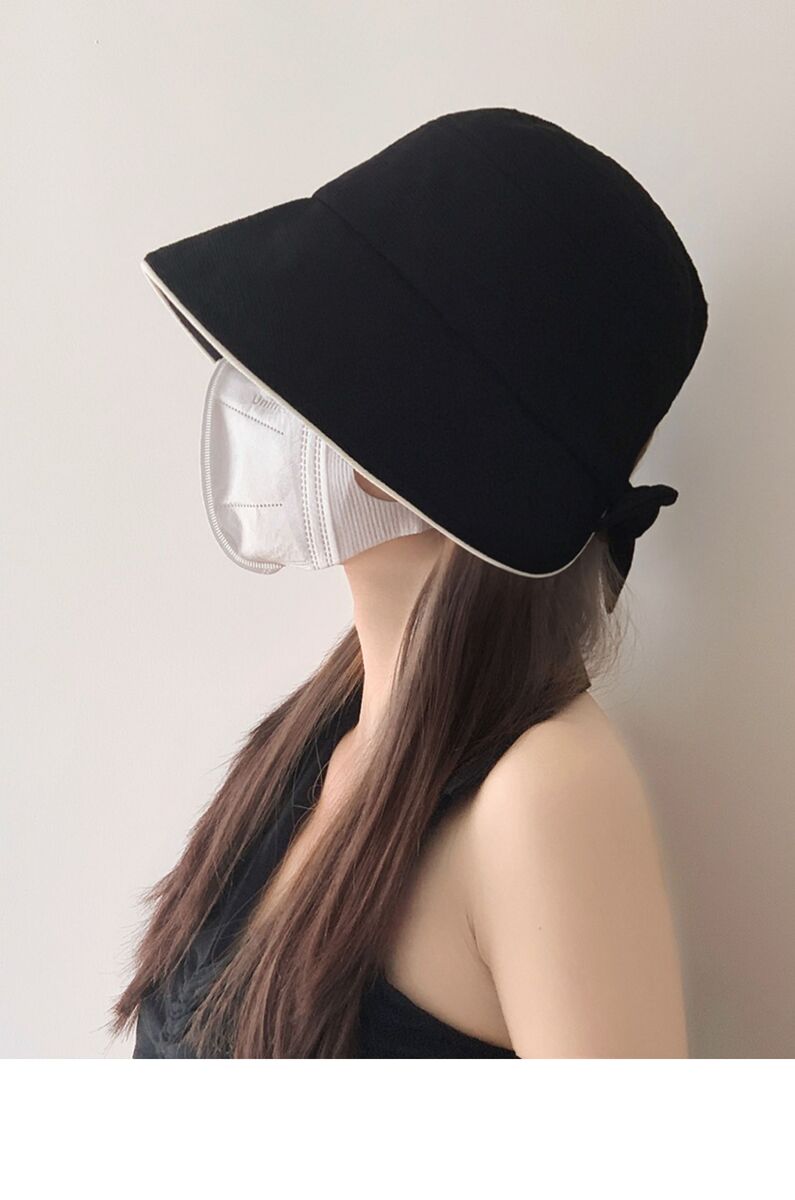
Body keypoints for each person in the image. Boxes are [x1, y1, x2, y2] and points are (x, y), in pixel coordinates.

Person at [109, 107, 708, 1057]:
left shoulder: (541, 797)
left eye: (316, 367)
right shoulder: (321, 735)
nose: (261, 400)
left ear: (440, 444)